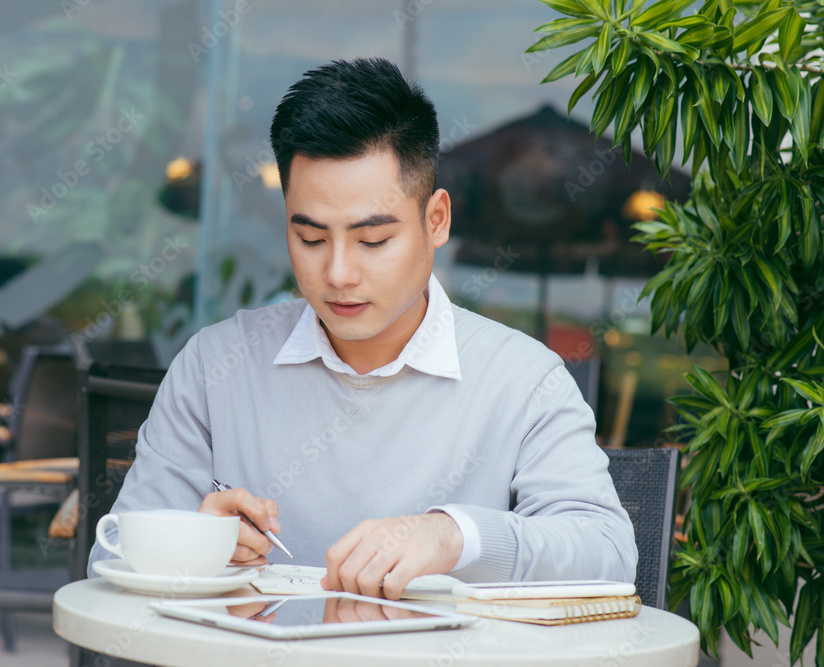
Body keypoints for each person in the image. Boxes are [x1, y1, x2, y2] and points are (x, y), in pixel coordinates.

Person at [89, 58, 637, 600]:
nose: (338, 274)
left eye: (373, 241)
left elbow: (609, 554)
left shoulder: (522, 379)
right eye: (310, 239)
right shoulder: (215, 366)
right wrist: (193, 547)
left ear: (436, 220)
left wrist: (456, 537)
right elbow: (107, 564)